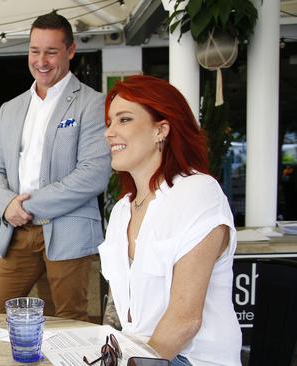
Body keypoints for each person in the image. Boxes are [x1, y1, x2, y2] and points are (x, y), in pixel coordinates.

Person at [99, 75, 242, 365]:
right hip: (138, 353)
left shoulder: (198, 192)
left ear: (160, 130)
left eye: (124, 120)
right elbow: (117, 315)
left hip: (187, 358)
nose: (109, 132)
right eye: (110, 122)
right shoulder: (121, 211)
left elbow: (184, 321)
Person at [0, 11, 111, 321]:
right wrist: (7, 205)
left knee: (68, 322)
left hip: (67, 229)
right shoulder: (10, 109)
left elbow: (93, 174)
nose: (41, 61)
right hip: (17, 230)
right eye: (34, 51)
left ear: (70, 51)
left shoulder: (92, 103)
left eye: (51, 52)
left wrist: (26, 204)